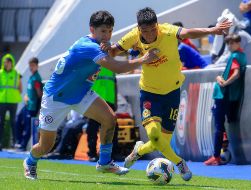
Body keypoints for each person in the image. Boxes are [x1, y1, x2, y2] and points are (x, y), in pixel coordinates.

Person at [23, 10, 158, 180]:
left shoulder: (100, 45)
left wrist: (132, 51)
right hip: (56, 97)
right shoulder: (87, 46)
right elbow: (116, 67)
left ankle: (104, 162)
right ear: (92, 30)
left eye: (109, 31)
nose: (107, 36)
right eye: (103, 31)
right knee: (45, 146)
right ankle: (30, 161)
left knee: (109, 119)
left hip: (81, 93)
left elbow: (114, 52)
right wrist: (143, 59)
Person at [104, 7, 231, 181]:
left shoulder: (168, 31)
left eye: (152, 30)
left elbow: (188, 32)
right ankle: (180, 163)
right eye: (144, 31)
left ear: (157, 25)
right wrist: (105, 45)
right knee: (155, 136)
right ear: (139, 28)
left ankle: (138, 151)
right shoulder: (133, 36)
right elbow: (113, 51)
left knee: (161, 140)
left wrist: (212, 30)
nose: (149, 35)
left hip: (172, 93)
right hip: (149, 93)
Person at [204, 34, 246, 166]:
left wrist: (224, 82)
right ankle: (220, 154)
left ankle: (216, 156)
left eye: (232, 42)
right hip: (229, 97)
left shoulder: (235, 56)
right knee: (222, 126)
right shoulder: (241, 56)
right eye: (228, 43)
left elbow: (236, 73)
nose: (229, 45)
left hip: (223, 96)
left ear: (238, 43)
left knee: (218, 127)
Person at [86, 67, 122, 162]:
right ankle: (92, 153)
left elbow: (114, 84)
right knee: (92, 128)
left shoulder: (112, 66)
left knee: (113, 128)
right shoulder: (94, 64)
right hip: (94, 100)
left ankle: (114, 153)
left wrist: (115, 101)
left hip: (109, 101)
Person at [16, 57, 43, 151]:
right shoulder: (31, 77)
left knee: (28, 126)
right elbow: (29, 91)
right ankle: (18, 142)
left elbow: (39, 93)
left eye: (33, 65)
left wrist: (39, 107)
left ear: (37, 66)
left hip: (32, 106)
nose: (31, 67)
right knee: (18, 120)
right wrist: (26, 96)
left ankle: (23, 145)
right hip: (27, 105)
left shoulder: (36, 78)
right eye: (30, 65)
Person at [0, 54, 22, 150]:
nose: (7, 64)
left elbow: (20, 88)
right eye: (5, 62)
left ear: (11, 63)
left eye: (8, 62)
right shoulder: (0, 73)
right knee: (1, 122)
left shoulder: (16, 74)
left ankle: (15, 143)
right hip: (2, 101)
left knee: (13, 122)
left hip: (13, 101)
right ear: (3, 63)